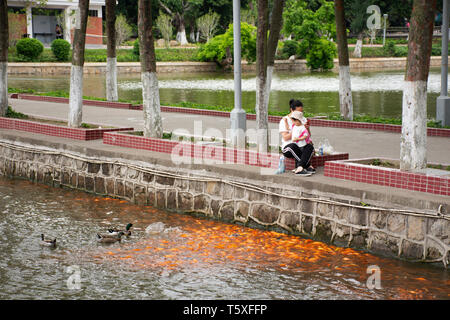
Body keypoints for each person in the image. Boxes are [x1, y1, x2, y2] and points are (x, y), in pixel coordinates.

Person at [278, 99, 315, 176]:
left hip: (301, 146)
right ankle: (307, 166)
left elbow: (308, 136)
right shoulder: (284, 120)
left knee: (309, 147)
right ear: (291, 110)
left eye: (301, 112)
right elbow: (285, 137)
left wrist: (306, 129)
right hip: (289, 147)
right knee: (293, 146)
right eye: (298, 112)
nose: (300, 114)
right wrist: (296, 130)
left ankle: (300, 167)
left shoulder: (303, 119)